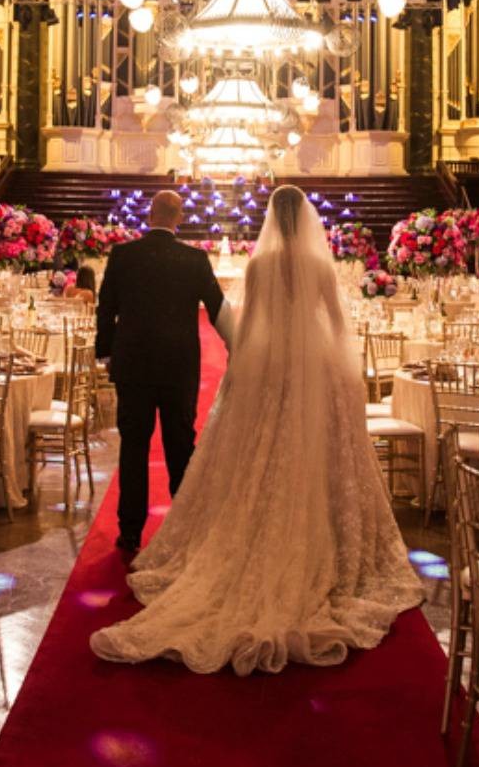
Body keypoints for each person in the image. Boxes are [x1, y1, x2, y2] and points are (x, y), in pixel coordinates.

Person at [90, 185, 423, 676]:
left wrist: (240, 359)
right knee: (195, 447)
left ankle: (137, 530)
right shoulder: (294, 264)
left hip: (227, 369)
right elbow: (330, 323)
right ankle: (309, 535)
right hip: (298, 371)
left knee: (162, 449)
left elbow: (243, 324)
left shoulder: (253, 265)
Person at [94, 191, 226, 554]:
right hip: (178, 367)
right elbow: (217, 309)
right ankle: (183, 529)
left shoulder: (123, 255)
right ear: (178, 217)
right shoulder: (194, 259)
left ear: (149, 215)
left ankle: (131, 532)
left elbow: (105, 309)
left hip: (133, 365)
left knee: (133, 449)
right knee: (180, 446)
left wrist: (106, 353)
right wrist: (239, 344)